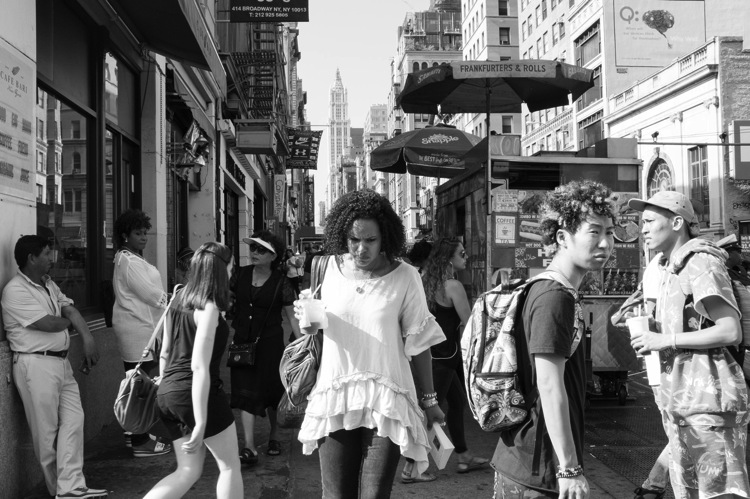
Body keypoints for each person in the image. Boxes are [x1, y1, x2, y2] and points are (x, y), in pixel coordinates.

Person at [294, 189, 446, 498]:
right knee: (337, 495)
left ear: (385, 237)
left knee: (375, 495)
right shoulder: (326, 270)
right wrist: (307, 321)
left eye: (370, 241)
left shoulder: (405, 276)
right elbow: (313, 331)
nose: (361, 249)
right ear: (342, 235)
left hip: (387, 401)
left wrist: (429, 401)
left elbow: (418, 343)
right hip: (336, 397)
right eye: (354, 240)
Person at [492, 180, 617, 498]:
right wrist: (570, 468)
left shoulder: (547, 289)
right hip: (539, 466)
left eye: (610, 232)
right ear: (563, 237)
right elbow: (549, 384)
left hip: (532, 462)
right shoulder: (554, 296)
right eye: (594, 232)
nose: (605, 243)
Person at [628, 190, 750, 498]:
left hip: (708, 406)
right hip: (682, 405)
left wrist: (665, 339)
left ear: (677, 222)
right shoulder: (672, 267)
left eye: (649, 221)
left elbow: (729, 330)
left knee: (717, 494)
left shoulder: (701, 263)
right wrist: (653, 333)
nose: (642, 229)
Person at [1, 235, 108, 499]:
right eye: (48, 253)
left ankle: (71, 485)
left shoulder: (48, 284)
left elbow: (70, 311)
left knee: (74, 420)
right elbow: (48, 323)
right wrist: (70, 320)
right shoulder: (15, 290)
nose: (52, 258)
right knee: (45, 433)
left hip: (61, 362)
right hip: (35, 364)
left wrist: (88, 338)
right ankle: (60, 490)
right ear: (31, 258)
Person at [144, 242, 242, 499]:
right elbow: (199, 366)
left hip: (168, 392)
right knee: (230, 466)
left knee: (188, 470)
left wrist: (166, 385)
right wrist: (199, 422)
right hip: (197, 395)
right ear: (220, 271)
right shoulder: (208, 308)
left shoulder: (177, 298)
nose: (233, 273)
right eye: (231, 268)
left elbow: (164, 353)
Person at [401, 237, 487, 483]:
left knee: (456, 402)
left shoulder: (425, 280)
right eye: (462, 252)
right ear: (449, 258)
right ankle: (410, 468)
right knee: (430, 413)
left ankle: (463, 455)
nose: (466, 256)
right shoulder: (453, 286)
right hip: (446, 357)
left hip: (427, 355)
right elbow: (470, 323)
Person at [230, 231, 301, 466]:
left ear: (274, 256)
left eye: (261, 250)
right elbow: (226, 301)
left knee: (272, 393)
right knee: (244, 392)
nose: (254, 253)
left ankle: (275, 436)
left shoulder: (282, 282)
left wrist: (302, 345)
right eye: (253, 248)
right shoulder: (239, 274)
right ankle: (248, 446)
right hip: (241, 342)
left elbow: (292, 316)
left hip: (270, 344)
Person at [111, 209, 173, 457]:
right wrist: (175, 300)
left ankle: (134, 434)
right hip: (137, 330)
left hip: (143, 327)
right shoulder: (127, 259)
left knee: (138, 384)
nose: (144, 237)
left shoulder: (131, 258)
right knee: (140, 388)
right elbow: (150, 294)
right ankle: (140, 442)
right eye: (138, 233)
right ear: (125, 235)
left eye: (145, 232)